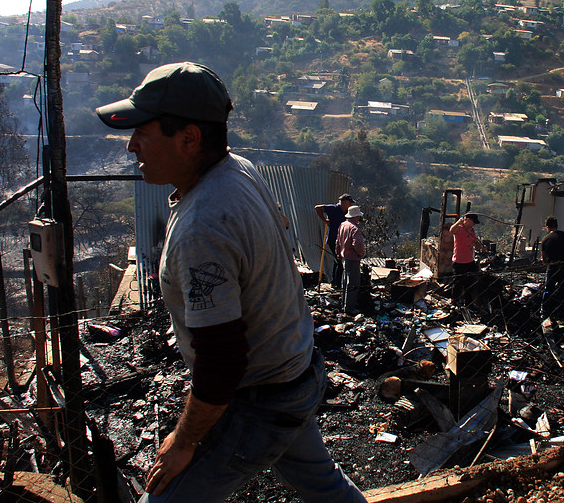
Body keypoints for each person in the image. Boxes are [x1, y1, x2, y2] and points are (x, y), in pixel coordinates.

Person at [96, 62, 366, 503]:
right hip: (296, 369)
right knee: (324, 486)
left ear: (188, 139)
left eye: (142, 133)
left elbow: (222, 363)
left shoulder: (204, 222)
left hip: (259, 400)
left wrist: (184, 442)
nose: (131, 146)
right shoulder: (237, 168)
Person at [315, 193, 354, 288]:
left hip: (342, 240)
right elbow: (318, 208)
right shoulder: (334, 208)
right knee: (339, 262)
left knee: (338, 261)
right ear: (344, 203)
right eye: (350, 203)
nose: (351, 205)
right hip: (333, 239)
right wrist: (325, 220)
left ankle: (334, 281)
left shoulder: (347, 212)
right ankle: (337, 284)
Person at [448, 212, 485, 306]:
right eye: (473, 222)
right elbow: (451, 230)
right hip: (459, 261)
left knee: (469, 284)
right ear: (467, 220)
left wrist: (481, 247)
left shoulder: (472, 230)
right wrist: (458, 222)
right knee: (458, 283)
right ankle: (455, 302)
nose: (474, 224)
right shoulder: (459, 229)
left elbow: (474, 242)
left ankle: (468, 303)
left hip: (469, 261)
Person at [541, 216, 564, 318]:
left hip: (552, 268)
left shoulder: (545, 240)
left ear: (547, 227)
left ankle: (545, 311)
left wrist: (548, 263)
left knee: (548, 290)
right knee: (563, 290)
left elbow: (544, 258)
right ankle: (561, 312)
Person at [336, 205, 365, 314]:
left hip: (344, 258)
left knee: (345, 281)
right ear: (355, 216)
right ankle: (350, 308)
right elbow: (357, 243)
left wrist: (338, 253)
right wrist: (361, 253)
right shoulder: (354, 228)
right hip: (353, 258)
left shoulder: (343, 225)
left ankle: (344, 304)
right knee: (353, 283)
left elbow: (337, 241)